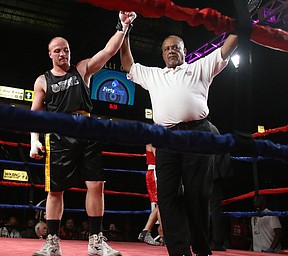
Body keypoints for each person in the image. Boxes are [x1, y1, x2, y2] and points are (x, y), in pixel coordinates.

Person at [121, 30, 238, 255]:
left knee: (198, 194)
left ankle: (202, 249)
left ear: (185, 51)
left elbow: (226, 48)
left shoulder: (199, 67)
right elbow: (128, 64)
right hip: (167, 138)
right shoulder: (154, 75)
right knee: (167, 195)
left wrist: (242, 24)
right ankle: (179, 251)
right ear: (163, 55)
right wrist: (125, 32)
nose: (171, 51)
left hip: (198, 134)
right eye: (167, 48)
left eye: (176, 47)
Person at [29, 11, 137, 256]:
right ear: (50, 54)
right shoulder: (42, 81)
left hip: (87, 131)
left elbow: (108, 51)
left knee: (96, 185)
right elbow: (34, 115)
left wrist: (123, 26)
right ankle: (52, 241)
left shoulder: (82, 69)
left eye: (65, 49)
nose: (62, 53)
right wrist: (34, 140)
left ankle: (96, 241)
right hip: (58, 136)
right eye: (57, 50)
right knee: (55, 191)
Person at [208, 121, 234, 251]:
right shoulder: (213, 127)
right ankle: (218, 242)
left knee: (204, 207)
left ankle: (213, 241)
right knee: (214, 208)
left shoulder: (204, 128)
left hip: (204, 172)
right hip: (214, 172)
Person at [138, 144, 163, 246]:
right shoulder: (154, 138)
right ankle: (164, 234)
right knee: (162, 203)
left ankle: (146, 232)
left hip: (155, 172)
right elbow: (159, 157)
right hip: (155, 172)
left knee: (160, 204)